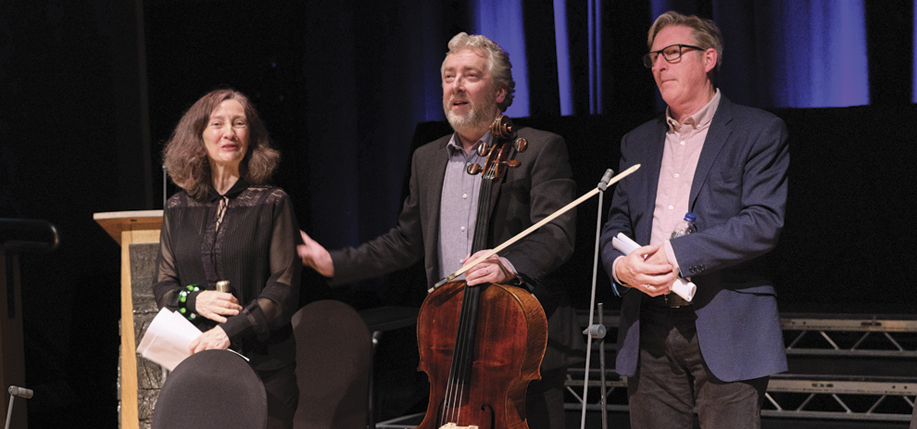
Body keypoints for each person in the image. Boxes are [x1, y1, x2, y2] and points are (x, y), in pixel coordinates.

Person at [298, 32, 579, 429]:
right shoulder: (426, 159)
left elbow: (557, 233)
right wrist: (334, 263)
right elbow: (406, 241)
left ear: (500, 92)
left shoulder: (538, 149)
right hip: (449, 341)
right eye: (449, 77)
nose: (456, 86)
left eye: (470, 75)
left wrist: (508, 264)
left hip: (520, 343)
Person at [599, 11, 789, 429]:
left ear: (708, 59)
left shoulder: (758, 131)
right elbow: (613, 229)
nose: (660, 65)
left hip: (726, 323)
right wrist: (620, 266)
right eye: (654, 57)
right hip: (647, 326)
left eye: (672, 52)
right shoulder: (638, 142)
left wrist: (675, 254)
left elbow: (761, 222)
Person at [153, 89, 302, 429]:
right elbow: (162, 285)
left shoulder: (272, 202)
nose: (229, 132)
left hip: (263, 368)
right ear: (200, 136)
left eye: (239, 123)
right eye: (217, 123)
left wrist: (228, 332)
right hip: (197, 367)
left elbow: (283, 290)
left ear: (251, 136)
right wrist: (195, 299)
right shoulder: (178, 208)